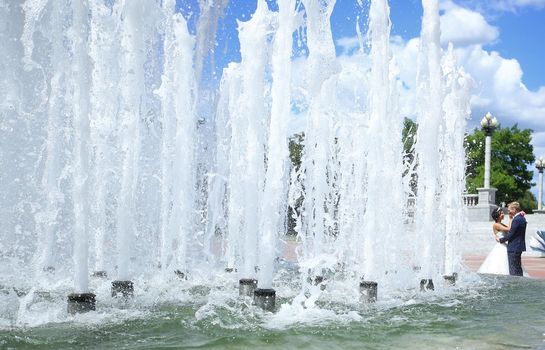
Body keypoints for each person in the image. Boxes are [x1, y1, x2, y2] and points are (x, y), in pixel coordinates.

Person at [496, 201, 527, 276]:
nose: (508, 211)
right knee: (518, 268)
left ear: (514, 209)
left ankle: (515, 285)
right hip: (518, 247)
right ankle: (519, 283)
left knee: (513, 270)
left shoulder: (516, 219)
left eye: (509, 209)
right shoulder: (522, 218)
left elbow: (511, 234)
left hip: (514, 248)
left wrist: (500, 240)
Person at [477, 207, 510, 275]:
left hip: (504, 244)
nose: (503, 214)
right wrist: (512, 218)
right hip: (501, 246)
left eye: (503, 213)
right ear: (497, 216)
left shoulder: (502, 224)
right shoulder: (496, 225)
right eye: (501, 213)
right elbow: (509, 229)